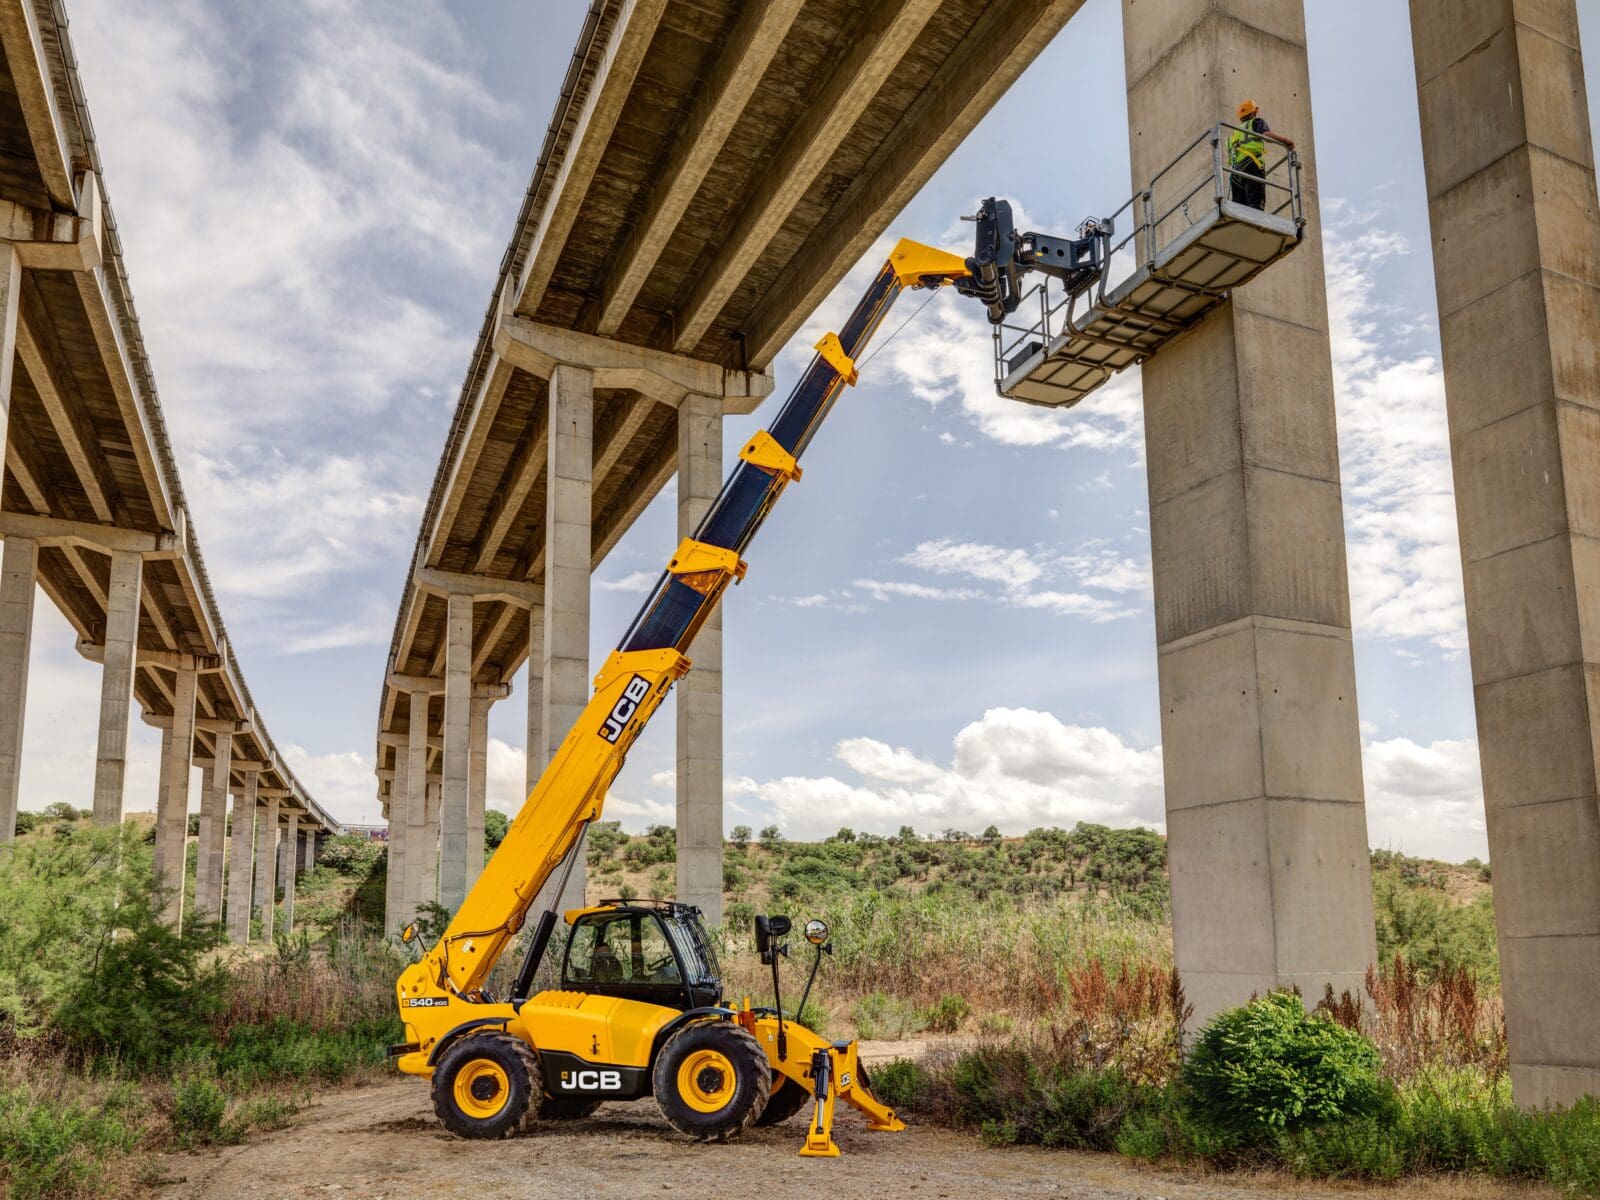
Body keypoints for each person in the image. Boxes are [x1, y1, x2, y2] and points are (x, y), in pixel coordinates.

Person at [1228, 99, 1293, 211]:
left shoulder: (1233, 135)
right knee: (1255, 205)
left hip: (1235, 174)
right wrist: (1286, 141)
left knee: (1239, 210)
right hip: (1251, 165)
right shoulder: (1255, 122)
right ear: (1254, 112)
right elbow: (1266, 135)